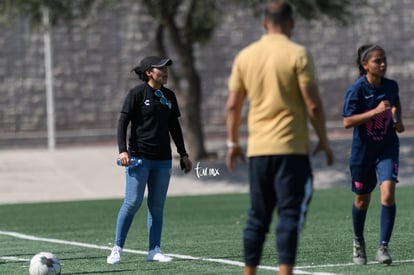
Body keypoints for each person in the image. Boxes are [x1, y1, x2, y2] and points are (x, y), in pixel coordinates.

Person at [226, 1, 334, 275]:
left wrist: (232, 143)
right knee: (288, 214)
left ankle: (248, 271)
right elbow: (313, 104)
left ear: (264, 23)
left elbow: (232, 106)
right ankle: (284, 271)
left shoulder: (245, 56)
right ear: (292, 23)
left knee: (257, 217)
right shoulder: (299, 54)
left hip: (258, 150)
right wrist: (324, 139)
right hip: (292, 149)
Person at [107, 56, 192, 264]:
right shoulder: (136, 94)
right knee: (132, 202)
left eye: (166, 68)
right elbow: (122, 122)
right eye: (160, 68)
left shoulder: (169, 95)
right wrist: (123, 151)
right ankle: (117, 248)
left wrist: (183, 153)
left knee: (156, 206)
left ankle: (154, 250)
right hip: (139, 158)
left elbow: (175, 127)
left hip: (162, 160)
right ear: (148, 73)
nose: (165, 71)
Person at [342, 44, 404, 266]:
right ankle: (358, 242)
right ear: (365, 65)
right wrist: (375, 112)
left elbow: (395, 103)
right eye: (377, 61)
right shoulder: (357, 90)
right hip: (363, 153)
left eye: (384, 59)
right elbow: (347, 121)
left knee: (387, 194)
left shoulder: (391, 86)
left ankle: (383, 247)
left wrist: (398, 120)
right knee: (362, 200)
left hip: (387, 148)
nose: (383, 64)